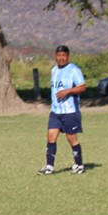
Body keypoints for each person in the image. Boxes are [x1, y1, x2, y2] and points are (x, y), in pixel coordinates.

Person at [37, 45, 86, 175]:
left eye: (64, 55)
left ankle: (79, 165)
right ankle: (49, 167)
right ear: (55, 56)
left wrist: (68, 91)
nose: (61, 58)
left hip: (70, 112)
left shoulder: (74, 70)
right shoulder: (54, 70)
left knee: (72, 139)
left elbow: (82, 87)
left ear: (68, 56)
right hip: (55, 112)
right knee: (51, 137)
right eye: (59, 55)